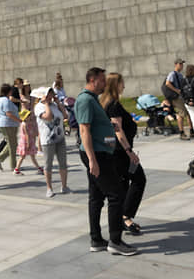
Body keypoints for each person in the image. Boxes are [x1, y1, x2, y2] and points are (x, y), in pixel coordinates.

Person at [75, 67, 136, 256]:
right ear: (93, 80)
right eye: (102, 81)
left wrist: (108, 127)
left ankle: (96, 239)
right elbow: (84, 130)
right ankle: (115, 241)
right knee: (116, 195)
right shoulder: (85, 100)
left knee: (96, 197)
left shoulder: (92, 100)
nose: (104, 84)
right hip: (97, 154)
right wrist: (92, 160)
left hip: (100, 152)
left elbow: (93, 127)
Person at [100, 73, 145, 236]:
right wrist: (129, 151)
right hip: (120, 152)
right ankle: (125, 216)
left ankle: (122, 218)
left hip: (116, 151)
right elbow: (117, 130)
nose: (124, 86)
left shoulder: (108, 103)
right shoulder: (114, 105)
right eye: (122, 83)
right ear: (116, 84)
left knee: (125, 184)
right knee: (139, 179)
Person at [33, 87, 70, 198]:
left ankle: (64, 186)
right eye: (48, 94)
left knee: (63, 163)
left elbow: (65, 116)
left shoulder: (55, 105)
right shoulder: (39, 107)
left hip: (60, 138)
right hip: (47, 140)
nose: (51, 96)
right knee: (48, 164)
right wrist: (46, 104)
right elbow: (48, 117)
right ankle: (49, 188)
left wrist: (58, 103)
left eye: (52, 94)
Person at [0, 83, 22, 171]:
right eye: (10, 91)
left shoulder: (0, 99)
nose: (11, 92)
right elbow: (8, 113)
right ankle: (13, 166)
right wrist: (20, 120)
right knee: (12, 146)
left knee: (12, 144)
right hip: (8, 124)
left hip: (6, 124)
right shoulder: (5, 101)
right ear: (8, 91)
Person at [14, 90, 43, 175]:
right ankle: (16, 169)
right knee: (23, 156)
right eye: (28, 116)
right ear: (25, 117)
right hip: (26, 142)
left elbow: (31, 133)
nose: (30, 117)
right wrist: (28, 144)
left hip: (28, 141)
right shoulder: (24, 124)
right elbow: (26, 134)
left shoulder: (27, 123)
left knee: (32, 156)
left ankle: (38, 168)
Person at [163, 58, 188, 138]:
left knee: (183, 114)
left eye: (182, 64)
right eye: (180, 64)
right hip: (176, 98)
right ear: (175, 64)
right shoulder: (172, 74)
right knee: (180, 114)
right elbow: (167, 83)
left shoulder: (179, 74)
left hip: (180, 97)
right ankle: (182, 133)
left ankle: (187, 131)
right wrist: (177, 90)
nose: (181, 66)